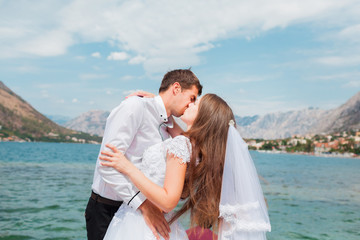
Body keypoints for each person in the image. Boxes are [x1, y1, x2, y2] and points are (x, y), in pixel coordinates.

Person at [100, 94, 271, 240]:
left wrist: (128, 168)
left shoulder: (183, 144)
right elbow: (174, 126)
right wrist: (159, 101)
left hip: (142, 223)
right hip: (159, 221)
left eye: (196, 103)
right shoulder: (195, 148)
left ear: (203, 116)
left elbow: (168, 201)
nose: (190, 103)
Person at [85, 69, 203, 240]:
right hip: (108, 209)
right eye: (191, 98)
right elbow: (107, 164)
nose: (191, 105)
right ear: (176, 88)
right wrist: (145, 206)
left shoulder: (169, 124)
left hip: (138, 215)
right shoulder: (135, 107)